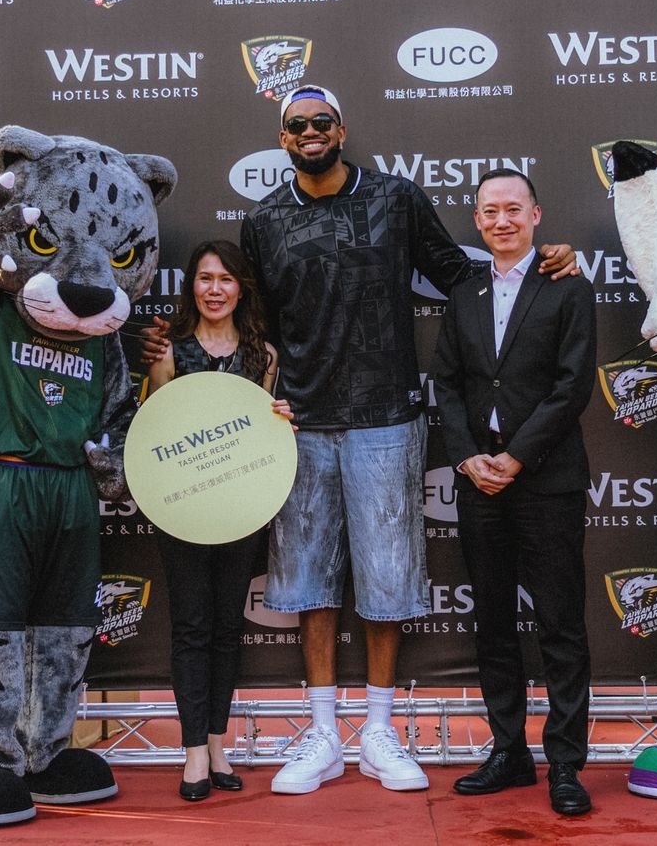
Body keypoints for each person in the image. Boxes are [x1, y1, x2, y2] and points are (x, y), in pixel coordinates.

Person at [238, 84, 579, 795]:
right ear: (283, 138)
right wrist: (255, 389)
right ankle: (323, 734)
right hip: (299, 423)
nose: (309, 131)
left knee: (388, 580)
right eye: (296, 124)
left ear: (342, 129)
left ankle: (379, 731)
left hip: (388, 417)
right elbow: (256, 323)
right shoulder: (264, 220)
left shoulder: (395, 197)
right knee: (309, 584)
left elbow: (462, 277)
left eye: (322, 121)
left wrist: (543, 264)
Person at [431, 169, 596, 815]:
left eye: (513, 209)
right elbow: (447, 384)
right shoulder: (464, 292)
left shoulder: (568, 286)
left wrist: (517, 456)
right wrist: (467, 456)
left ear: (535, 215)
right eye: (490, 211)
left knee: (560, 624)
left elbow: (572, 386)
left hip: (547, 480)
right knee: (493, 624)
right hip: (479, 482)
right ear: (476, 221)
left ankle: (566, 763)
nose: (502, 221)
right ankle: (509, 751)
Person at [141, 240, 293, 802]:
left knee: (227, 629)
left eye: (226, 279)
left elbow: (264, 440)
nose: (215, 289)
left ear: (241, 289)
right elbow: (156, 434)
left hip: (241, 510)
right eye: (205, 278)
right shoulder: (170, 351)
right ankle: (193, 754)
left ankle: (217, 743)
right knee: (191, 627)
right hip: (180, 509)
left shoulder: (264, 357)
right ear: (192, 286)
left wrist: (281, 420)